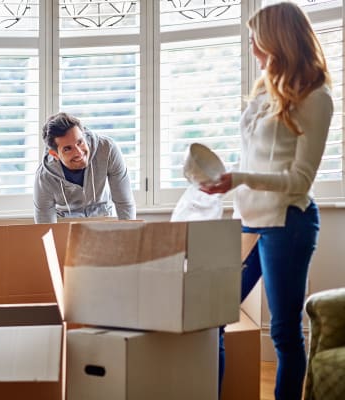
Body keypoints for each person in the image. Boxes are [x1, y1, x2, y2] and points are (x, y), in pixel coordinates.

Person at [201, 3, 333, 399]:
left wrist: (238, 179)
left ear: (279, 39)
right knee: (213, 316)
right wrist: (224, 180)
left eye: (257, 40)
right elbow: (257, 156)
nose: (253, 49)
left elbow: (299, 180)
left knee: (283, 332)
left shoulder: (316, 98)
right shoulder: (265, 87)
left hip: (288, 222)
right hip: (250, 219)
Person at [34, 112, 136, 223]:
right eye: (68, 149)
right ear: (55, 154)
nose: (79, 153)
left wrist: (129, 238)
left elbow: (125, 203)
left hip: (103, 220)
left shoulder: (108, 149)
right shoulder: (44, 176)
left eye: (80, 142)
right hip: (66, 225)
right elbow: (44, 222)